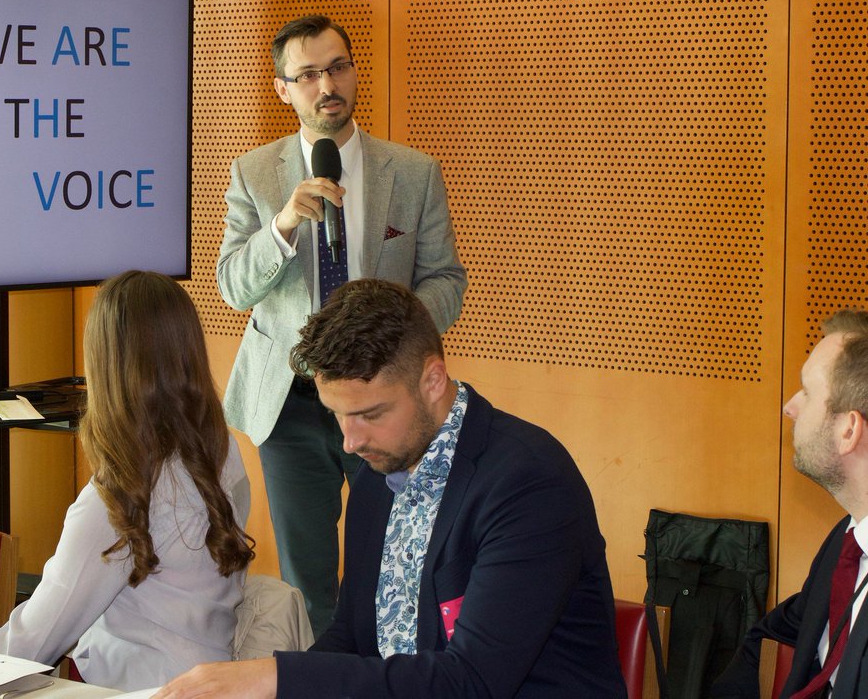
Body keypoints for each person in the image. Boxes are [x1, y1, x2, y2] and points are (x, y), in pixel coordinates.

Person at [158, 279, 625, 699]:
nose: (350, 440)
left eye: (371, 414)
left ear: (433, 380)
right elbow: (352, 639)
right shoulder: (379, 475)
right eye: (337, 413)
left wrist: (275, 678)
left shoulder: (528, 483)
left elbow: (473, 681)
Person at [217, 13, 467, 637]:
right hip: (293, 406)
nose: (326, 84)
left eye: (336, 67)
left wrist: (392, 336)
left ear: (352, 72)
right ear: (284, 89)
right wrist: (280, 226)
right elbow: (231, 287)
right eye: (307, 75)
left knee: (394, 562)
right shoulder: (254, 174)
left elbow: (445, 280)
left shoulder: (411, 173)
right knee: (308, 582)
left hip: (387, 397)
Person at [0, 270, 255, 691]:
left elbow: (25, 651)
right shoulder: (222, 451)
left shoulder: (119, 499)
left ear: (105, 365)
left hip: (140, 688)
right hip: (210, 676)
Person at [711, 310, 868, 698]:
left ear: (849, 429)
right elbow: (773, 631)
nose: (790, 407)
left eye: (808, 392)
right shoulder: (845, 542)